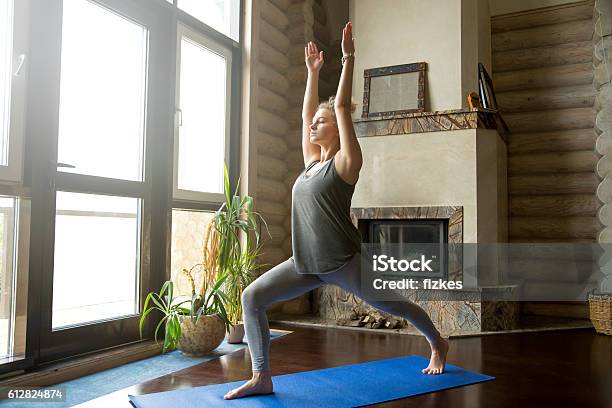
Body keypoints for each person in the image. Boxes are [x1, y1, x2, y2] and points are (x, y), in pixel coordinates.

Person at [224, 22, 449, 401]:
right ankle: (261, 375)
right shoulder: (311, 161)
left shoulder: (346, 163)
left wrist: (348, 59)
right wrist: (312, 74)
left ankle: (437, 341)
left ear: (338, 129)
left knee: (395, 305)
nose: (314, 124)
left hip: (345, 262)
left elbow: (341, 106)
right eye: (314, 122)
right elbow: (303, 115)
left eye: (322, 122)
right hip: (306, 263)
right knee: (252, 298)